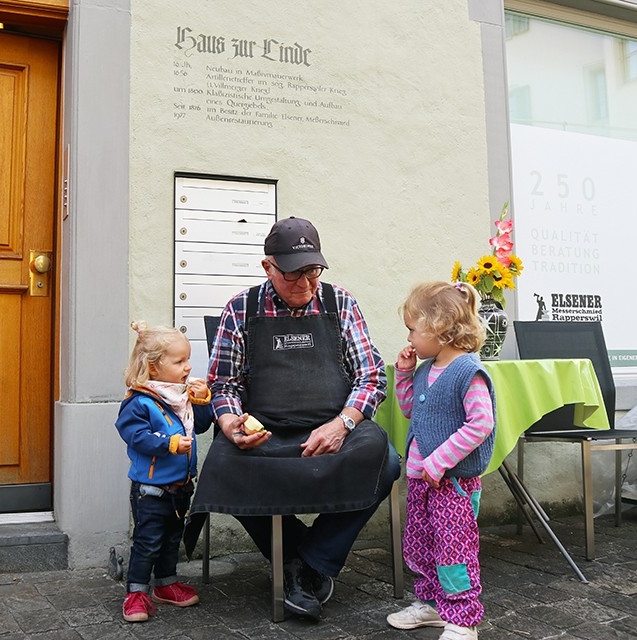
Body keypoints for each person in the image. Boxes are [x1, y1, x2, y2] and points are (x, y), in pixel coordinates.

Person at [193, 216, 399, 621]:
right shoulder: (241, 308)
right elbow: (224, 383)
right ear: (268, 267)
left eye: (312, 271)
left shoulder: (341, 303)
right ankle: (304, 562)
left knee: (386, 461)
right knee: (223, 464)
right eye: (292, 275)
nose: (305, 284)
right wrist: (232, 422)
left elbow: (371, 377)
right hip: (266, 432)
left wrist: (344, 423)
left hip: (335, 423)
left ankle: (307, 562)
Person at [385, 282, 496, 640]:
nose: (410, 338)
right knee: (420, 543)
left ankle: (463, 618)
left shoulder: (468, 371)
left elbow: (481, 423)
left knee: (453, 550)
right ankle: (433, 605)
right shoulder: (425, 369)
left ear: (441, 327)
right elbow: (410, 412)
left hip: (452, 484)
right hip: (422, 481)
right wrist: (404, 374)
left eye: (412, 330)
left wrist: (439, 461)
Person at [114, 322, 214, 623]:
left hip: (180, 486)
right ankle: (136, 592)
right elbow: (134, 435)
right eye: (179, 361)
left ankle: (166, 584)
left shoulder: (181, 397)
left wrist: (202, 400)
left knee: (172, 538)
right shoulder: (139, 401)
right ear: (153, 367)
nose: (188, 367)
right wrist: (167, 443)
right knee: (148, 541)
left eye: (188, 360)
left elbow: (201, 425)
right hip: (151, 490)